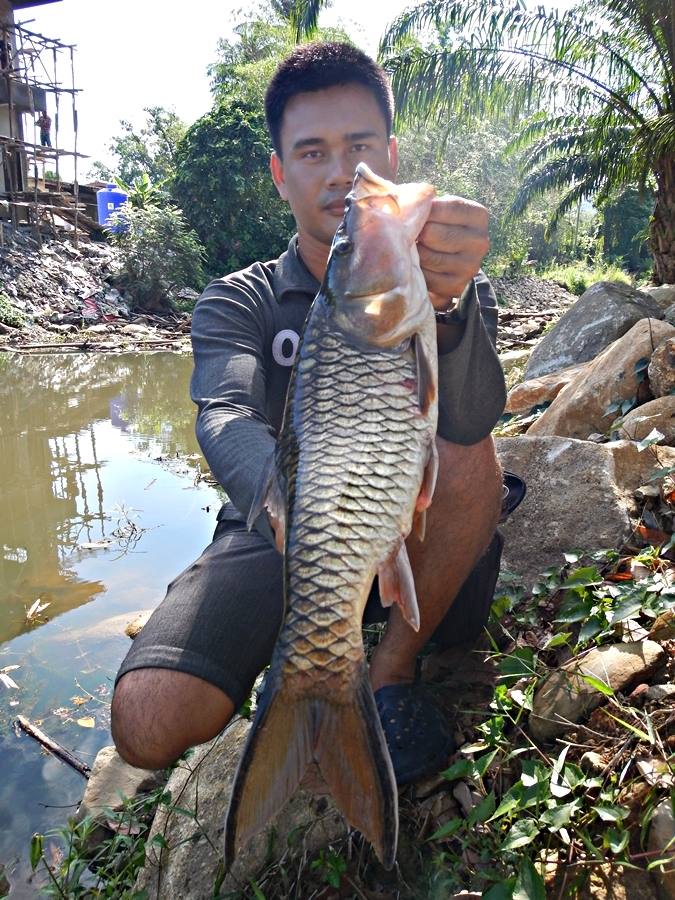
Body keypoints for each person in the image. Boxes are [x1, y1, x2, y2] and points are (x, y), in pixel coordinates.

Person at [111, 42, 513, 785]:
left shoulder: (437, 278)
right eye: (312, 152)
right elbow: (225, 412)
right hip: (276, 521)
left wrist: (452, 305)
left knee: (470, 450)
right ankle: (300, 672)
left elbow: (476, 417)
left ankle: (386, 672)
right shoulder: (239, 297)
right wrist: (290, 504)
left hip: (408, 518)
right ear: (279, 172)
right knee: (146, 719)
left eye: (359, 148)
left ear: (390, 153)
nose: (339, 175)